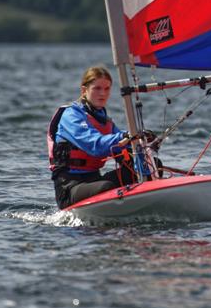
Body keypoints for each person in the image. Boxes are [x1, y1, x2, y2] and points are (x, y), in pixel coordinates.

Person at [48, 66, 151, 210]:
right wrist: (124, 135)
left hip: (94, 181)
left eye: (107, 89)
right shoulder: (71, 116)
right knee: (106, 188)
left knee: (150, 167)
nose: (102, 93)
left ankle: (145, 208)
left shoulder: (106, 122)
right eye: (97, 88)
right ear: (84, 90)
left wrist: (141, 141)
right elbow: (95, 145)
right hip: (70, 187)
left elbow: (122, 150)